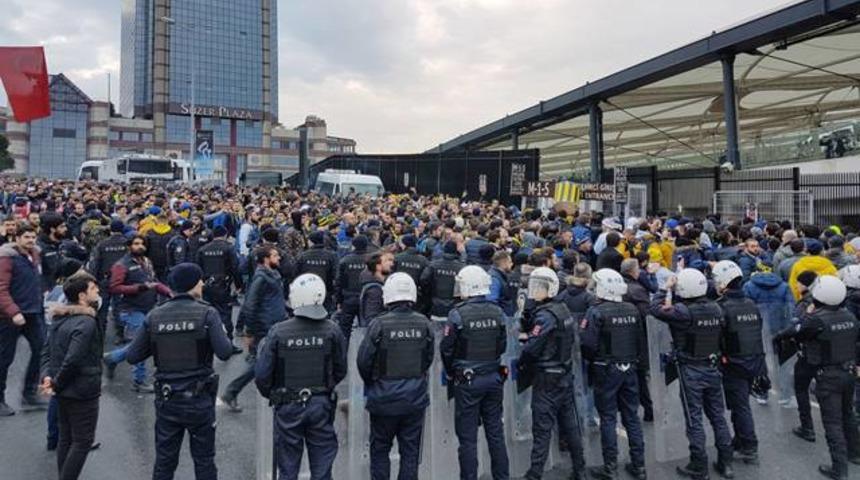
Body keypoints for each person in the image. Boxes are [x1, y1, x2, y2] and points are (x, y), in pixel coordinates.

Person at [124, 263, 233, 480]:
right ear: (192, 284)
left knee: (165, 461)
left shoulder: (155, 316)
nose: (202, 283)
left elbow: (132, 355)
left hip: (167, 399)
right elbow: (225, 352)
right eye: (199, 280)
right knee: (204, 460)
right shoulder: (207, 313)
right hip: (199, 399)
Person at [255, 273, 348, 480]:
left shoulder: (278, 331)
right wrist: (324, 388)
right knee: (323, 467)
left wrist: (276, 395)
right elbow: (341, 368)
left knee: (287, 468)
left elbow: (262, 376)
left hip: (288, 405)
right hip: (321, 404)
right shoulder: (332, 330)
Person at [649, 268, 734, 480]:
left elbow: (655, 308)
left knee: (694, 418)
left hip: (691, 369)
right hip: (712, 366)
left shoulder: (683, 312)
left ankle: (699, 464)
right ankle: (726, 463)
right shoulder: (716, 308)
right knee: (718, 416)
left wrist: (664, 287)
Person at [775, 275, 860, 479]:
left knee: (832, 422)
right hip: (848, 372)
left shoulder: (815, 320)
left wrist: (806, 316)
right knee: (847, 414)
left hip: (828, 375)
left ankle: (839, 469)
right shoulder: (850, 317)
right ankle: (855, 453)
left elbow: (795, 333)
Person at [357, 272, 434, 480]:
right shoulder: (424, 323)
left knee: (380, 449)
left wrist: (373, 383)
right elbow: (428, 358)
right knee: (410, 452)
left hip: (383, 397)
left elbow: (364, 361)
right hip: (414, 397)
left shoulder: (379, 325)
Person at [440, 266, 509, 480]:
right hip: (493, 376)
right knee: (495, 433)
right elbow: (503, 345)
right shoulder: (497, 311)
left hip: (468, 380)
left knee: (468, 439)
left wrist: (452, 372)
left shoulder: (457, 314)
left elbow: (447, 348)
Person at [517, 266, 586, 480]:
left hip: (547, 376)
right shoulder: (562, 309)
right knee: (570, 425)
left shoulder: (546, 316)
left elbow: (532, 347)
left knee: (542, 426)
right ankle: (580, 469)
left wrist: (524, 349)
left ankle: (535, 473)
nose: (536, 291)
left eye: (540, 287)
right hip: (564, 372)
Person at [581, 268, 647, 480]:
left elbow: (587, 344)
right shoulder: (632, 309)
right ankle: (639, 465)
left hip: (605, 368)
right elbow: (639, 340)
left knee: (608, 417)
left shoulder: (596, 311)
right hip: (629, 367)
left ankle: (610, 466)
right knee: (632, 416)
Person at [39, 272, 103, 480]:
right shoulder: (86, 322)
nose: (98, 291)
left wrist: (48, 377)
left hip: (63, 389)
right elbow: (74, 358)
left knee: (66, 437)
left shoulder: (59, 318)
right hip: (82, 389)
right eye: (93, 289)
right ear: (82, 296)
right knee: (83, 440)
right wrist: (55, 383)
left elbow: (47, 352)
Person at [220, 245, 287, 413]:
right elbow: (250, 304)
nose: (278, 258)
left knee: (275, 360)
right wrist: (248, 330)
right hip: (264, 327)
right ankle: (231, 392)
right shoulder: (261, 278)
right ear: (265, 259)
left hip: (275, 324)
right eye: (275, 255)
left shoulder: (273, 274)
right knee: (259, 364)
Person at [712, 260, 767, 464]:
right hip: (753, 360)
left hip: (733, 362)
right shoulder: (751, 303)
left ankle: (750, 446)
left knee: (740, 405)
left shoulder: (721, 307)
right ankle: (741, 439)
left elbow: (718, 337)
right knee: (739, 404)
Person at [103, 234, 171, 393]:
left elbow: (154, 282)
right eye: (136, 243)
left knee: (142, 343)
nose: (140, 246)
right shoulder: (121, 265)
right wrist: (138, 288)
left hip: (149, 307)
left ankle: (112, 358)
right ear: (129, 246)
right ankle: (138, 381)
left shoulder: (146, 262)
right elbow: (114, 287)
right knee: (141, 344)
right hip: (131, 310)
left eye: (142, 244)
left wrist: (170, 293)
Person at [0, 222, 49, 416]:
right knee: (5, 358)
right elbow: (1, 288)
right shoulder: (6, 259)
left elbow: (37, 279)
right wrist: (13, 311)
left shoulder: (35, 255)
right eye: (26, 237)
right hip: (9, 316)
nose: (30, 241)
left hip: (33, 312)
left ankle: (29, 392)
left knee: (42, 349)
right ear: (17, 238)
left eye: (32, 237)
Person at [196, 225, 243, 352]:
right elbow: (235, 268)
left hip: (206, 286)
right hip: (223, 286)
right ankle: (228, 345)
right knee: (225, 315)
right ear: (226, 235)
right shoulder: (228, 248)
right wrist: (239, 286)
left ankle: (207, 345)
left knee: (206, 315)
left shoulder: (203, 249)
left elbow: (198, 269)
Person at [620, 258, 654, 422]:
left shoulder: (619, 287)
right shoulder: (637, 290)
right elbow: (647, 315)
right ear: (633, 272)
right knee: (640, 376)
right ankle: (648, 409)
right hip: (637, 339)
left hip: (621, 340)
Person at [87, 220, 129, 336]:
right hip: (122, 280)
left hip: (105, 279)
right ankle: (121, 333)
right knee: (119, 307)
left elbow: (94, 263)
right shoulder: (127, 243)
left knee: (102, 308)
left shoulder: (102, 244)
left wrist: (93, 280)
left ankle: (100, 333)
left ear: (110, 230)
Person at [333, 235, 372, 343]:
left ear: (353, 245)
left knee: (345, 329)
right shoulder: (373, 260)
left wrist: (339, 300)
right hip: (368, 299)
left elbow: (339, 282)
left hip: (349, 298)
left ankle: (343, 355)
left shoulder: (345, 260)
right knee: (369, 330)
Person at [420, 241, 466, 319]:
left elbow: (423, 280)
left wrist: (429, 293)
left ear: (444, 250)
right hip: (455, 307)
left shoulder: (433, 265)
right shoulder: (462, 267)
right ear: (456, 251)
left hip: (435, 305)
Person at [296, 231, 338, 312]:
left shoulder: (303, 256)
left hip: (307, 290)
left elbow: (296, 274)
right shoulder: (331, 255)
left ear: (311, 242)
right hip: (326, 291)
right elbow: (336, 274)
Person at [358, 250, 394, 327]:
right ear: (378, 266)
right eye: (387, 261)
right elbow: (372, 317)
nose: (391, 263)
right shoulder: (375, 290)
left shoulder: (378, 284)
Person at [487, 250, 516, 317]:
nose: (512, 264)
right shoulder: (494, 279)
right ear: (504, 263)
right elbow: (492, 303)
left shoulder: (500, 276)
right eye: (510, 262)